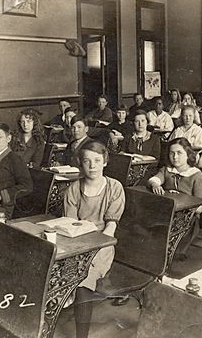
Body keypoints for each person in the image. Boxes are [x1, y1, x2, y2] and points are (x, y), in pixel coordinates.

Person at [64, 140, 125, 338]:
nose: (92, 166)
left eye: (97, 160)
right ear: (80, 164)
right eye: (87, 161)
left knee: (83, 276)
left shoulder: (114, 188)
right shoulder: (74, 188)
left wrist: (92, 246)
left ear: (105, 162)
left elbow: (111, 227)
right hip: (76, 240)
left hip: (103, 244)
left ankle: (82, 334)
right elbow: (70, 225)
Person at [148, 137, 202, 257]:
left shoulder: (196, 175)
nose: (175, 157)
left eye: (179, 153)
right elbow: (154, 179)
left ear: (188, 154)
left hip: (187, 218)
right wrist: (155, 184)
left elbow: (200, 206)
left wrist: (182, 202)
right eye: (171, 153)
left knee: (171, 244)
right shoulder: (167, 170)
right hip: (166, 212)